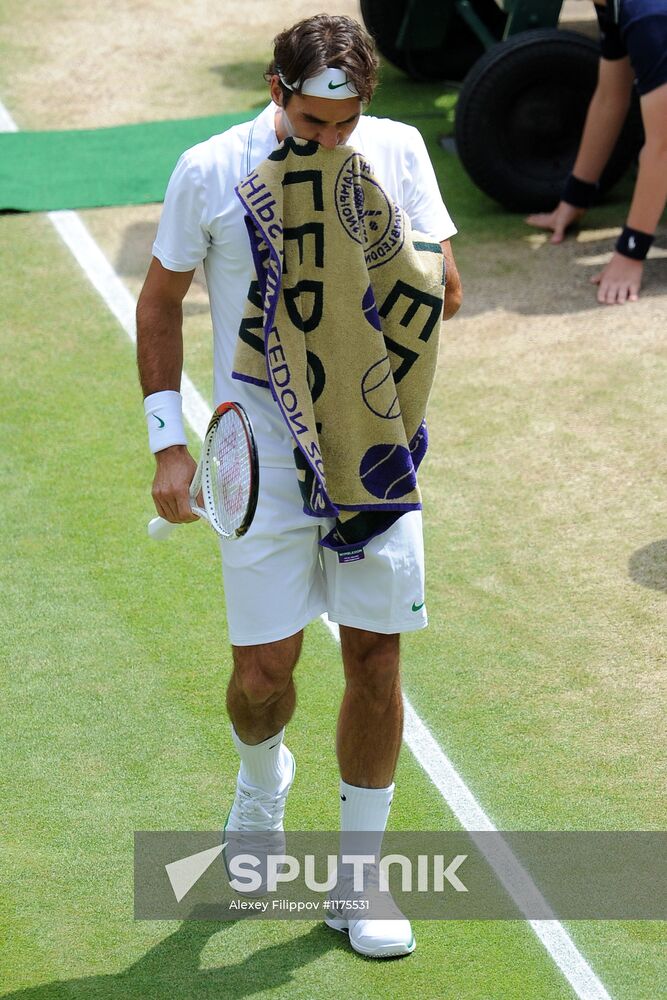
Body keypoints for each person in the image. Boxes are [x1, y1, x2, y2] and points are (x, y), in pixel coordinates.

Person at [136, 13, 462, 959]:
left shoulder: (395, 153)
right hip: (263, 456)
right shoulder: (209, 169)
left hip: (371, 449)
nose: (327, 141)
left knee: (374, 660)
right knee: (261, 677)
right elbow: (159, 301)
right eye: (311, 124)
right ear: (277, 94)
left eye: (343, 126)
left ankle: (356, 886)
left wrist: (392, 253)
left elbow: (445, 287)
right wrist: (169, 446)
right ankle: (258, 789)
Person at [526, 0, 667, 305]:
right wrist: (574, 198)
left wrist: (631, 251)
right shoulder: (613, 3)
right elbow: (609, 97)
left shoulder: (649, 15)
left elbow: (663, 146)